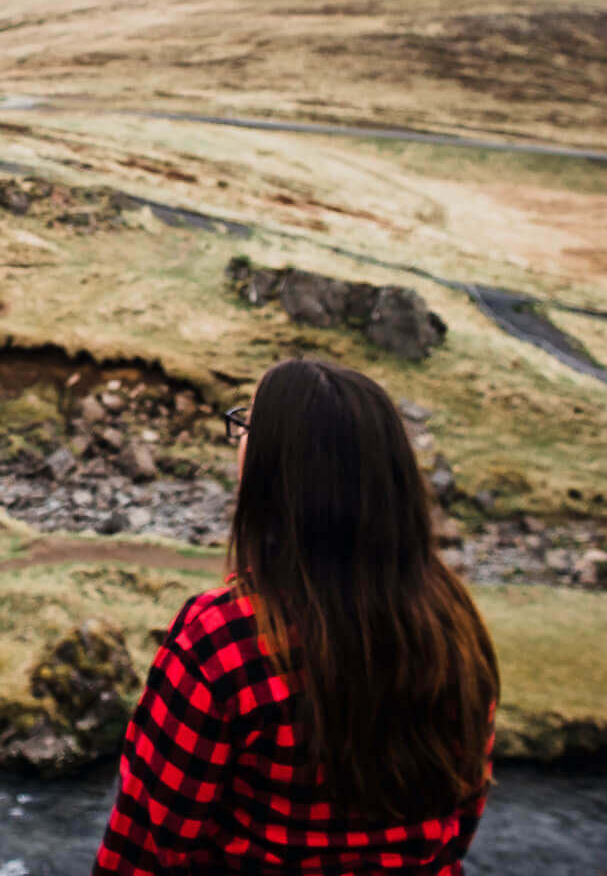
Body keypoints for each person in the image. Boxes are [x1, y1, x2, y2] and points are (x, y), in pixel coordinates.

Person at [93, 358, 498, 873]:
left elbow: (147, 841)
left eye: (249, 426)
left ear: (280, 465)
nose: (241, 440)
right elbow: (460, 825)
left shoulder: (223, 635)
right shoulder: (453, 622)